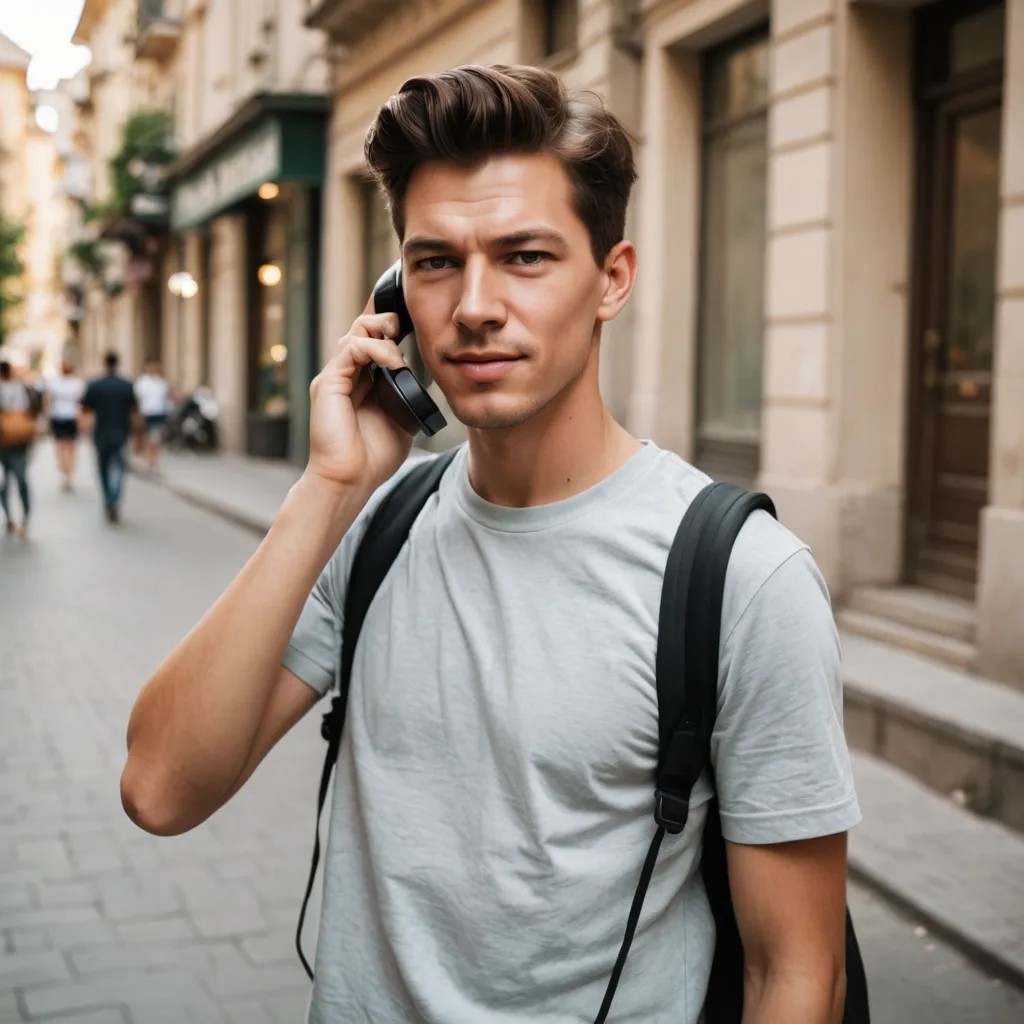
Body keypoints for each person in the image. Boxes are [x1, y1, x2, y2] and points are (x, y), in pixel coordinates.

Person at [121, 66, 861, 1023]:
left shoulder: (742, 578)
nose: (473, 305)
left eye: (524, 257)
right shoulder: (375, 529)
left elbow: (796, 974)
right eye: (435, 262)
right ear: (395, 296)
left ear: (613, 279)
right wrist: (330, 489)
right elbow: (160, 788)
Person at [81, 351, 137, 523]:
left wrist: (86, 430)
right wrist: (138, 434)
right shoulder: (126, 385)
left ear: (105, 363)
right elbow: (134, 412)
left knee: (103, 468)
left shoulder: (96, 385)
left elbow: (85, 410)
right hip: (121, 431)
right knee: (119, 468)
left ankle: (108, 499)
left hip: (102, 432)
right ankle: (114, 499)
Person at [0, 360, 33, 538]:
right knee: (20, 480)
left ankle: (11, 518)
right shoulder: (20, 388)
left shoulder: (19, 388)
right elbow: (29, 412)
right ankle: (23, 518)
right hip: (17, 442)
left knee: (7, 481)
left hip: (8, 442)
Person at [47, 359, 85, 491]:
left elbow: (49, 401)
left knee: (61, 447)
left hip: (61, 417)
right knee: (69, 447)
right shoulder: (77, 383)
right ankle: (68, 473)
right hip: (69, 417)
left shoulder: (56, 383)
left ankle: (65, 473)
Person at [133, 361, 170, 472]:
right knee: (148, 436)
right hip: (146, 413)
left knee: (156, 437)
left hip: (159, 412)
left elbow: (165, 398)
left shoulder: (161, 382)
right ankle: (149, 456)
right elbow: (137, 398)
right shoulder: (142, 382)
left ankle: (154, 458)